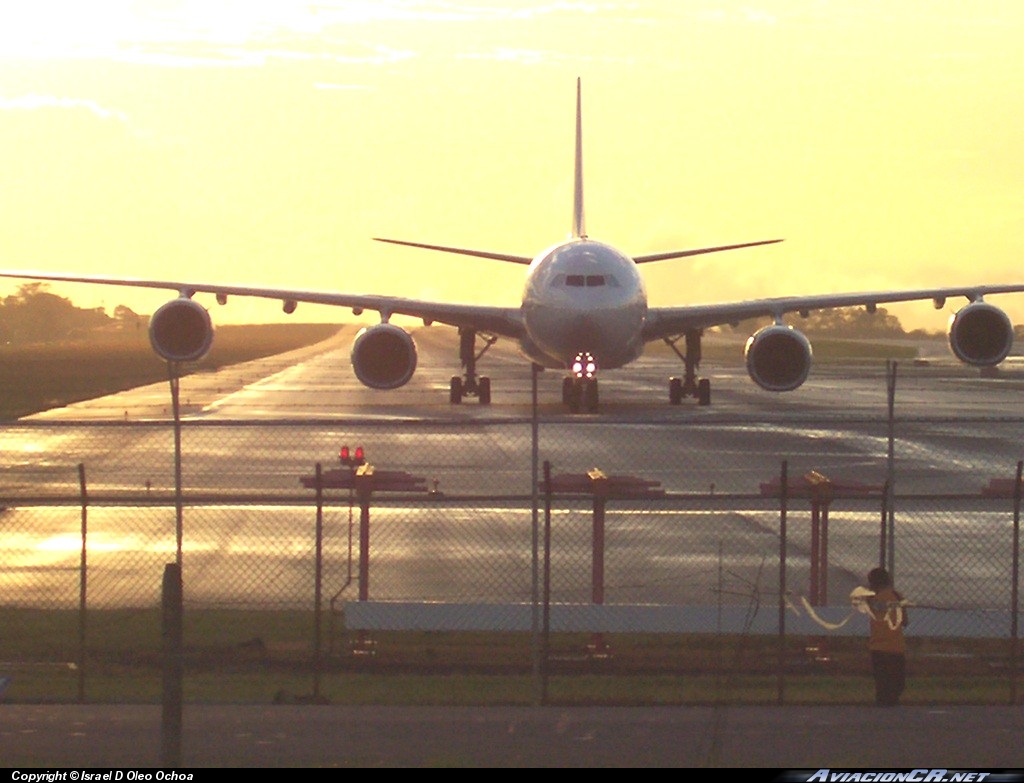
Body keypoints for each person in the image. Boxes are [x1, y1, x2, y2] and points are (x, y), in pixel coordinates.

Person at [865, 567, 908, 706]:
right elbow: (905, 621)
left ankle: (884, 703)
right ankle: (891, 702)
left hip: (878, 648)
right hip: (895, 648)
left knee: (882, 683)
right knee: (897, 683)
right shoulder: (896, 596)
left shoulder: (871, 599)